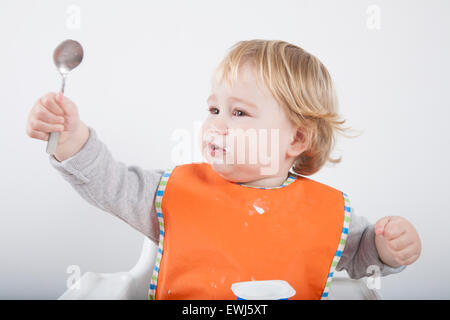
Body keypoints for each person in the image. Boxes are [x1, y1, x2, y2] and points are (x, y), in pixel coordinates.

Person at [26, 39, 421, 299]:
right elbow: (108, 183)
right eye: (214, 109)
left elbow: (360, 262)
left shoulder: (329, 212)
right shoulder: (175, 190)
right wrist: (71, 137)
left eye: (239, 112)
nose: (216, 123)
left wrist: (386, 249)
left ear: (297, 140)